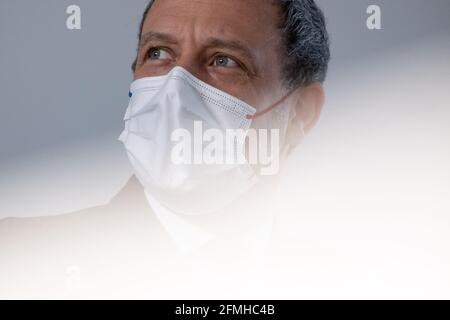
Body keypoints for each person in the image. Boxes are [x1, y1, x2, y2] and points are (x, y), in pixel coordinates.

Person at [0, 0, 329, 298]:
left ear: (301, 113)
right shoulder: (17, 263)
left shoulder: (347, 277)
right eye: (158, 54)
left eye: (224, 60)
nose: (174, 89)